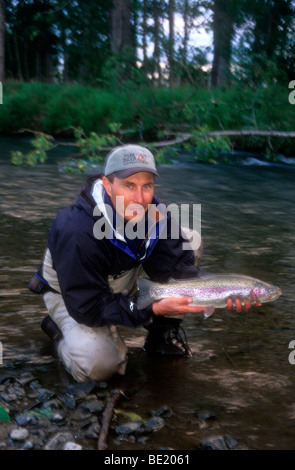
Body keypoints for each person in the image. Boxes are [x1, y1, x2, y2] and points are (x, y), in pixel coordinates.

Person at [29, 144, 251, 383]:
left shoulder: (156, 213)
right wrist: (150, 309)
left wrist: (220, 290)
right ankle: (59, 331)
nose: (139, 198)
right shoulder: (77, 231)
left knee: (189, 240)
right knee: (102, 366)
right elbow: (90, 306)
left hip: (123, 278)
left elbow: (180, 267)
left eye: (147, 186)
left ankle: (161, 335)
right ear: (107, 184)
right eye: (129, 185)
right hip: (75, 298)